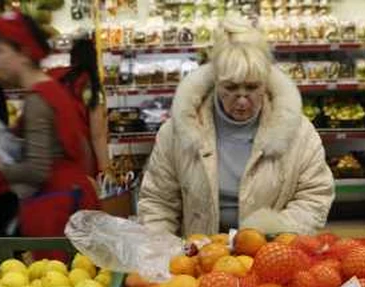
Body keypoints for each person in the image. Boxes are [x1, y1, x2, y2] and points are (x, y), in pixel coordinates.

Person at [138, 17, 333, 236]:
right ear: (216, 81)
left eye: (251, 88)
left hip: (272, 258)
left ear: (265, 82)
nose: (241, 101)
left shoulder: (299, 133)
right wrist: (160, 252)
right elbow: (158, 202)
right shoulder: (177, 132)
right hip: (198, 259)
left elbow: (314, 196)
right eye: (230, 88)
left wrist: (273, 233)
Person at [0, 11, 99, 237]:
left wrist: (3, 170)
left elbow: (38, 170)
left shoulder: (38, 100)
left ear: (24, 53)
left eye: (0, 51)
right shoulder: (53, 88)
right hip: (72, 200)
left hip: (58, 209)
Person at [51, 37, 111, 177]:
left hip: (56, 156)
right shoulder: (90, 87)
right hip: (82, 157)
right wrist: (106, 170)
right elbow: (98, 135)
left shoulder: (58, 80)